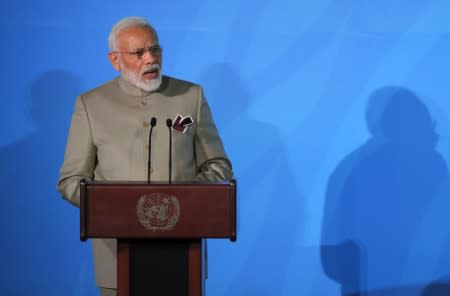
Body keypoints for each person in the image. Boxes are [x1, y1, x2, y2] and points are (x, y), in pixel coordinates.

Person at [57, 16, 233, 296]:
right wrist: (112, 207)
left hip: (182, 250)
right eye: (138, 53)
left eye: (155, 49)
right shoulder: (91, 105)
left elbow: (218, 165)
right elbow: (70, 181)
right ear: (115, 60)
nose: (150, 58)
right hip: (116, 253)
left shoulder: (190, 97)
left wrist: (186, 201)